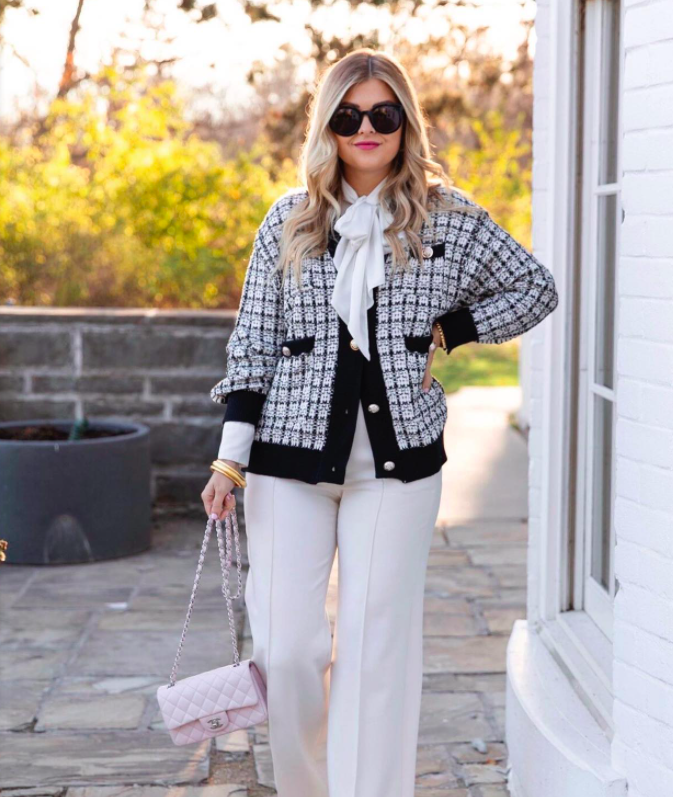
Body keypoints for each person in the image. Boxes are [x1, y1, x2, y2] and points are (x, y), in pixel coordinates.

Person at [202, 48, 558, 797]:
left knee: (375, 649)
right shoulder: (288, 218)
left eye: (383, 114)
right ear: (326, 124)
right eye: (348, 114)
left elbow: (535, 286)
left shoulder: (448, 216)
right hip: (286, 462)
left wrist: (448, 331)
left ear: (405, 123)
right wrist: (228, 460)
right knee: (289, 648)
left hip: (396, 468)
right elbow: (253, 345)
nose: (366, 128)